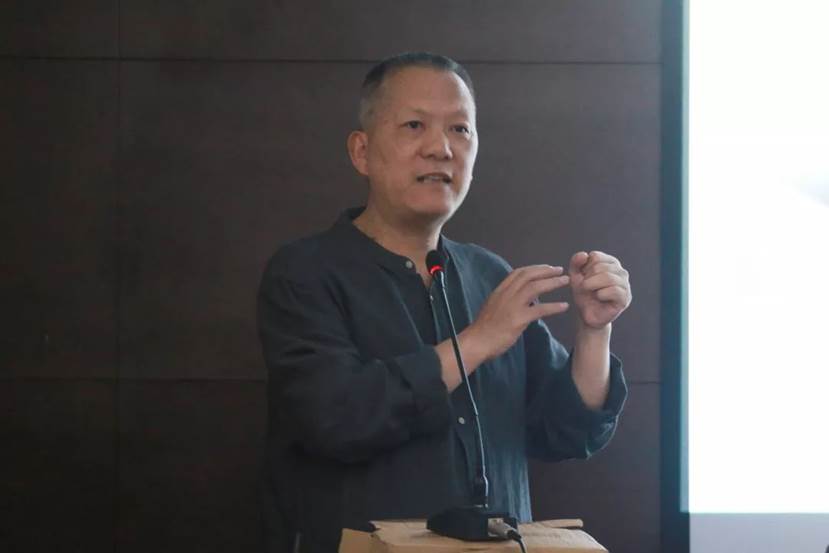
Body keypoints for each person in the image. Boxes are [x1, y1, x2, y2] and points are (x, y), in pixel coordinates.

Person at [257, 52, 632, 553]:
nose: (440, 149)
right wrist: (476, 342)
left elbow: (566, 431)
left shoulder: (488, 274)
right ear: (362, 151)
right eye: (415, 126)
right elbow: (336, 419)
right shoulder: (305, 272)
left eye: (460, 130)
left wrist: (594, 331)